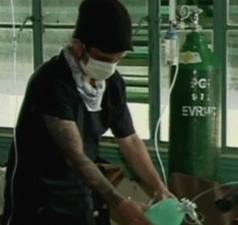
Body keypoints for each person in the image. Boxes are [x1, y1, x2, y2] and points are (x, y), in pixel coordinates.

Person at [1, 0, 173, 224]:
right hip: (39, 199)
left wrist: (159, 188)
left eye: (117, 60)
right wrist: (119, 203)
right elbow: (76, 157)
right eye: (103, 59)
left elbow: (129, 139)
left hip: (80, 193)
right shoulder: (51, 82)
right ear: (79, 46)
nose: (110, 66)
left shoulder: (112, 83)